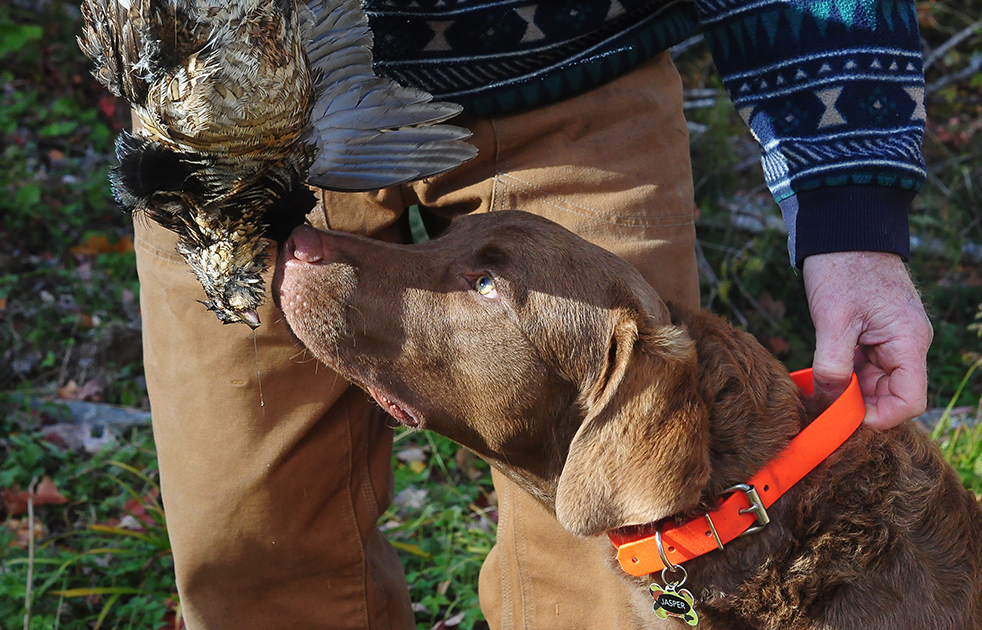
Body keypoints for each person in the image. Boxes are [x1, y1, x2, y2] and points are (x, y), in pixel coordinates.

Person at [131, 0, 933, 628]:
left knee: (608, 568)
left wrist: (849, 212)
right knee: (249, 560)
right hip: (226, 98)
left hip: (562, 86)